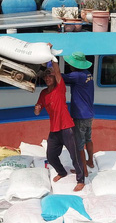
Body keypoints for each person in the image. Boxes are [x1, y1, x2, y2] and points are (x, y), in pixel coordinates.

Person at [34, 59, 85, 191]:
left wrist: (53, 59)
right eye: (45, 76)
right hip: (55, 130)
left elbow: (57, 71)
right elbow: (37, 111)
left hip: (67, 127)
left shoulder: (60, 87)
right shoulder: (43, 93)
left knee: (75, 156)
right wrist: (38, 108)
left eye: (49, 76)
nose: (47, 78)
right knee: (50, 156)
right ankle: (62, 172)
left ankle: (81, 180)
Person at [63, 52, 95, 172]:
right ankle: (90, 161)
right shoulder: (88, 74)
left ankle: (82, 170)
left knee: (79, 144)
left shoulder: (77, 76)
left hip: (80, 115)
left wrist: (50, 65)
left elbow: (59, 77)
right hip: (89, 114)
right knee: (88, 139)